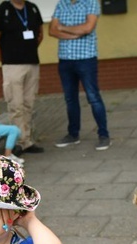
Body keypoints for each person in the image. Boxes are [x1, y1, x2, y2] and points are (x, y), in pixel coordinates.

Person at [48, 0, 110, 151]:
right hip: (65, 60)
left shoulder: (91, 3)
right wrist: (74, 33)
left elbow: (88, 28)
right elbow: (52, 30)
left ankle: (104, 135)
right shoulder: (62, 4)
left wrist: (63, 28)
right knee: (70, 99)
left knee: (93, 97)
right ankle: (73, 134)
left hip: (86, 59)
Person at [0, 0, 45, 155]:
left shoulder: (32, 8)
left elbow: (40, 35)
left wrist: (27, 51)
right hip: (12, 66)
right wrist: (6, 60)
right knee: (16, 105)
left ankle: (27, 141)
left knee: (28, 104)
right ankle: (17, 143)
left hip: (32, 64)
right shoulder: (3, 10)